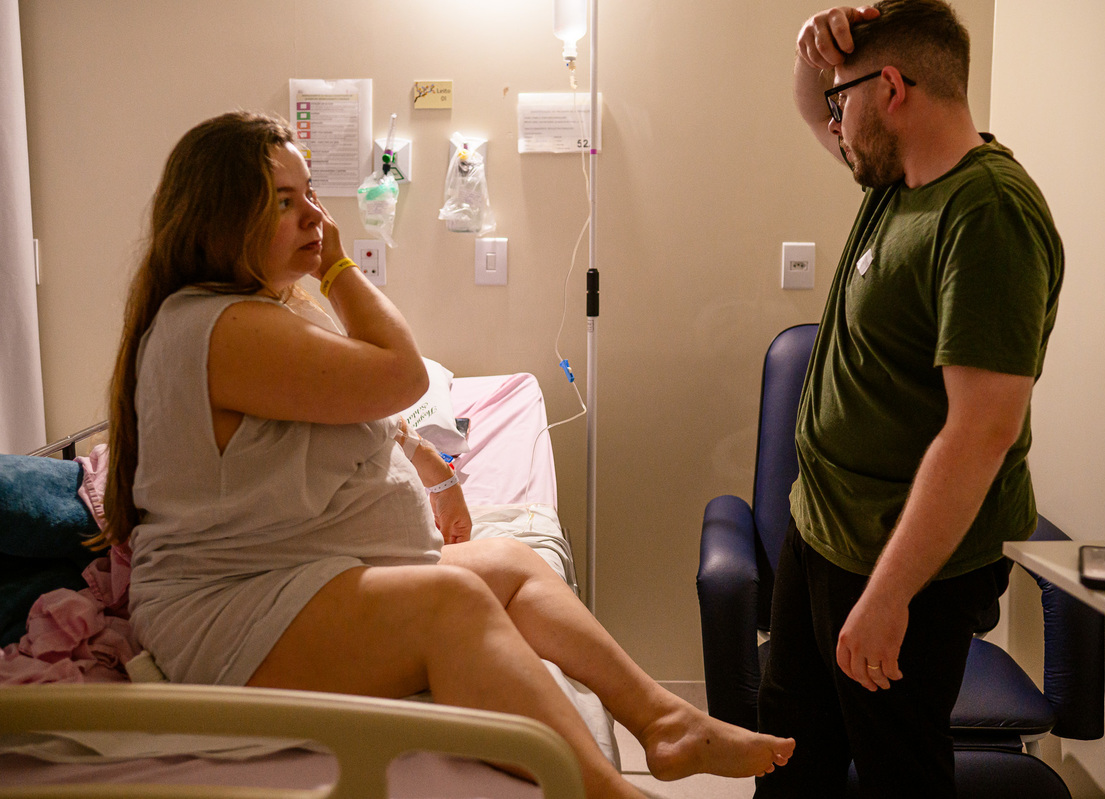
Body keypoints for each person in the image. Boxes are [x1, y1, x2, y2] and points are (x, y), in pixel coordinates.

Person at [98, 111, 794, 799]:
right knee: (451, 602)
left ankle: (664, 721)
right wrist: (337, 267)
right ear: (220, 217)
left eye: (310, 193)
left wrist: (429, 462)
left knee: (510, 563)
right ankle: (605, 794)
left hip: (289, 577)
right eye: (284, 202)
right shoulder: (222, 325)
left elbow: (356, 407)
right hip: (229, 613)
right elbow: (401, 375)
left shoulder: (256, 312)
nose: (317, 216)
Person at [756, 2, 1064, 796]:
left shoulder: (987, 215)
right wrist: (812, 54)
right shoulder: (898, 180)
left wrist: (890, 594)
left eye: (843, 100)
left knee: (898, 772)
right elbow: (812, 109)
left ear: (891, 89)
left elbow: (982, 430)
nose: (833, 122)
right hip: (823, 528)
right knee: (788, 755)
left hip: (901, 563)